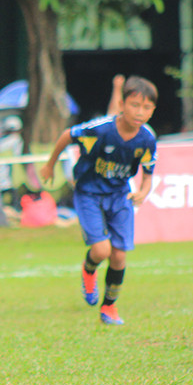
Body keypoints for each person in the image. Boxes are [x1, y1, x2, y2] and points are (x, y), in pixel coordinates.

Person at [39, 75, 158, 327]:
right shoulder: (101, 129)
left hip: (120, 195)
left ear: (153, 110)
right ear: (122, 104)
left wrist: (144, 192)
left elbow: (148, 174)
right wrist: (50, 166)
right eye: (135, 105)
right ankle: (89, 268)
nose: (140, 112)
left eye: (146, 107)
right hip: (89, 193)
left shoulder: (147, 138)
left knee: (119, 257)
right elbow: (66, 135)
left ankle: (109, 307)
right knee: (101, 251)